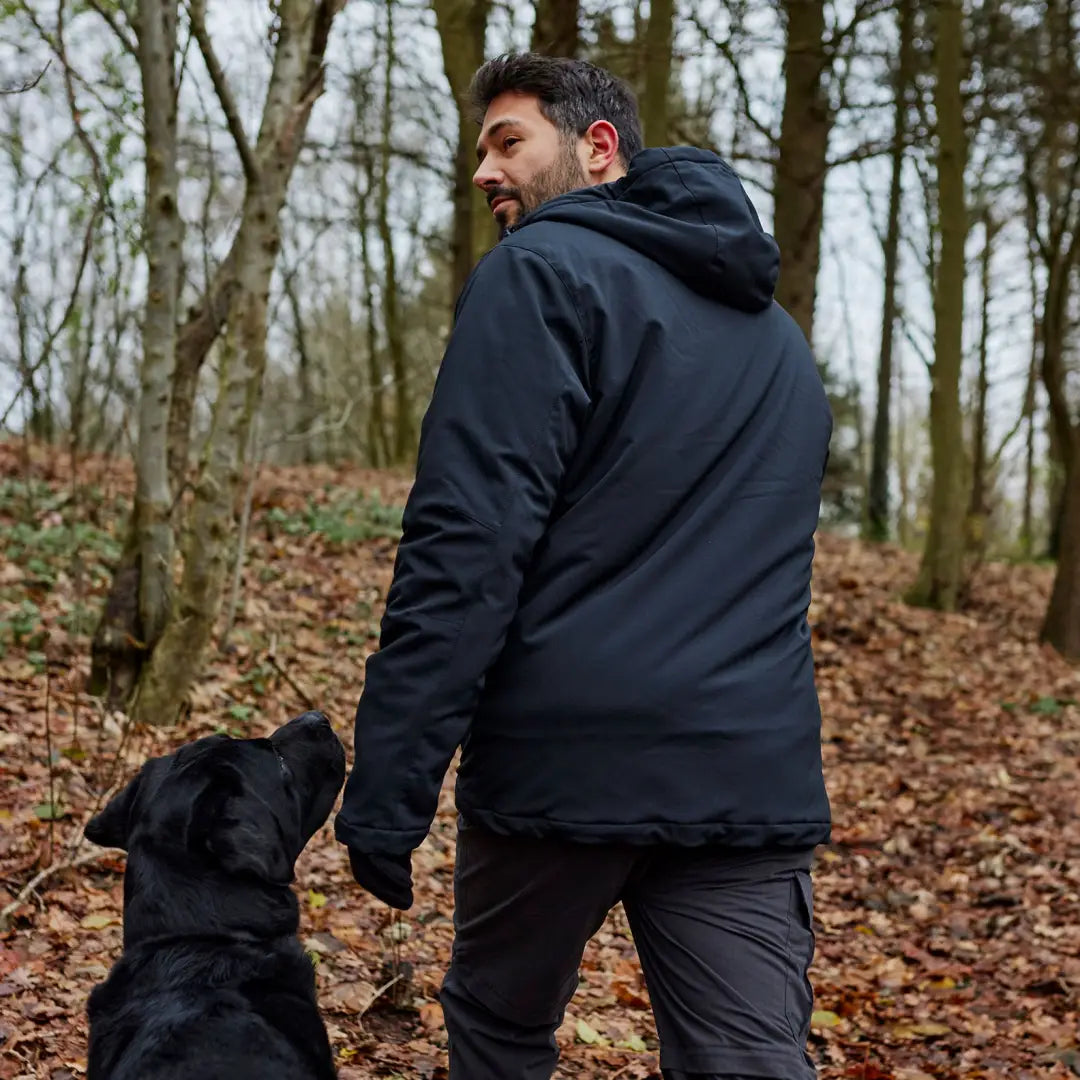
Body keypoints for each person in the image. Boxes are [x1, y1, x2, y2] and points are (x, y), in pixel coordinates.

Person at [335, 51, 832, 1080]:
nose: (485, 171)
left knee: (501, 1032)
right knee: (750, 1062)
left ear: (598, 150)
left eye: (509, 141)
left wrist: (390, 790)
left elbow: (466, 546)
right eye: (481, 149)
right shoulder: (779, 339)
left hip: (567, 766)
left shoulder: (537, 276)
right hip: (746, 769)